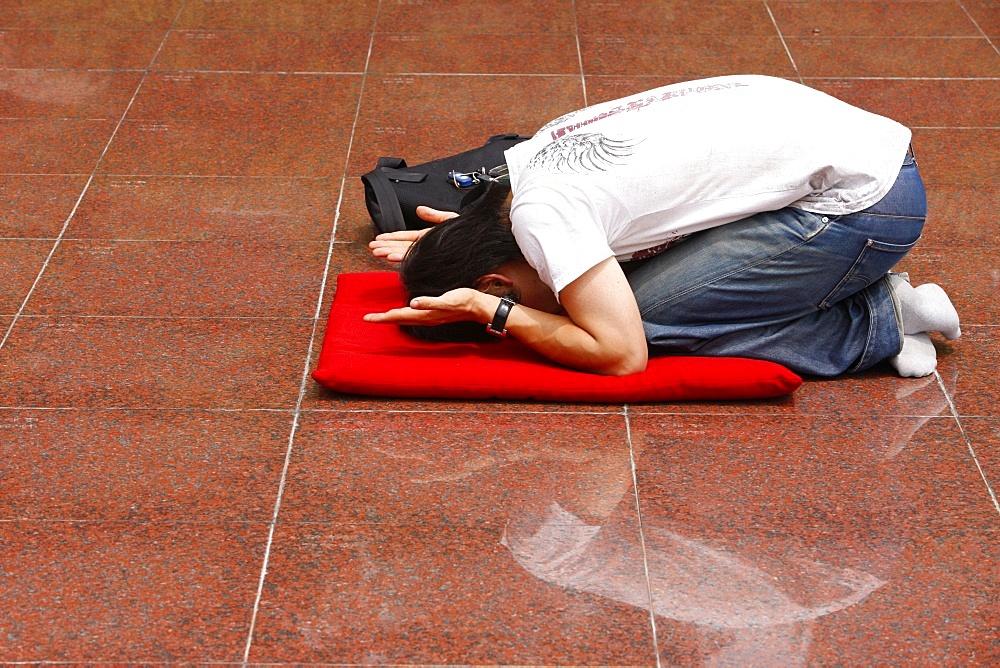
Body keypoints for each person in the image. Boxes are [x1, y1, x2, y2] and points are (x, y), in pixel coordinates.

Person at [365, 75, 960, 378]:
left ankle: (880, 321)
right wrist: (458, 242)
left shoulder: (543, 219)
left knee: (640, 316)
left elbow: (622, 355)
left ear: (497, 279)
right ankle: (878, 302)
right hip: (866, 147)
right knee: (622, 287)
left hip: (868, 202)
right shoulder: (527, 173)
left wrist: (494, 314)